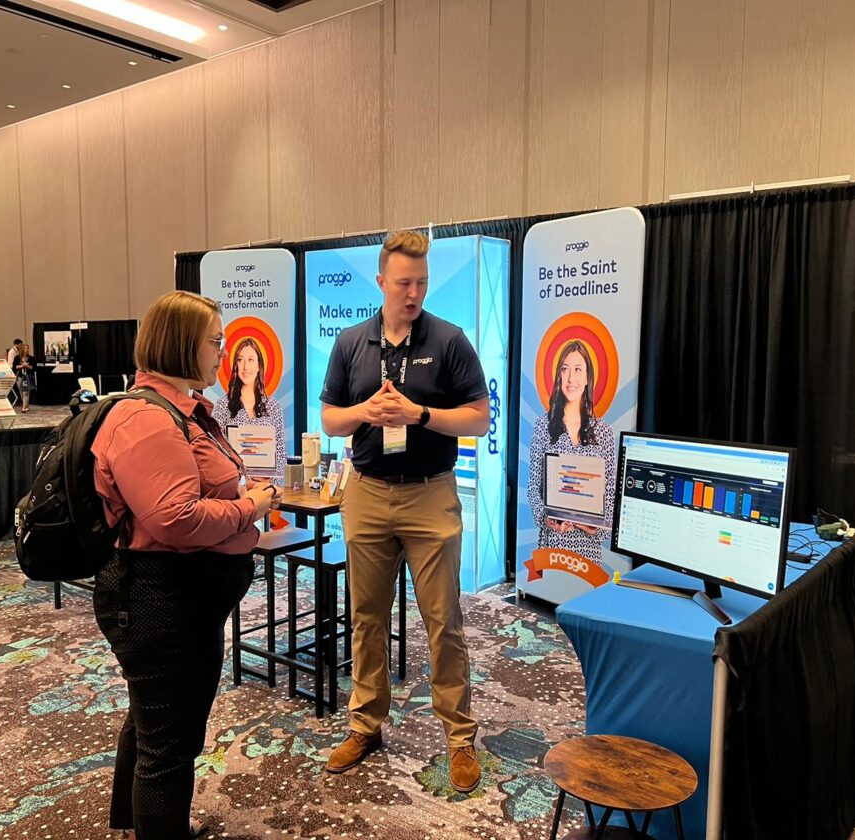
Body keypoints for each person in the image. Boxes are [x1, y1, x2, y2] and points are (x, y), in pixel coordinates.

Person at [91, 290, 282, 840]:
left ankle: (131, 822)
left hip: (183, 597)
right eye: (215, 342)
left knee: (155, 720)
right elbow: (176, 519)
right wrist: (252, 507)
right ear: (180, 346)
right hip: (160, 597)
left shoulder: (182, 408)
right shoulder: (147, 420)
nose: (223, 353)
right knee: (170, 744)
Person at [320, 230, 489, 793]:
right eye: (402, 283)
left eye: (421, 282)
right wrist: (364, 411)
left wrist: (419, 414)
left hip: (429, 494)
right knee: (365, 618)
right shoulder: (350, 343)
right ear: (381, 282)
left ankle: (459, 737)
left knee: (444, 621)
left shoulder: (450, 340)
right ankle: (365, 725)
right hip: (367, 494)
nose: (413, 293)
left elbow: (478, 420)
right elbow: (329, 420)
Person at [528, 341, 616, 563]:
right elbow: (533, 487)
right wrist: (546, 518)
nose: (570, 378)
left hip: (589, 553)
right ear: (558, 376)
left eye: (578, 369)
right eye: (564, 369)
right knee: (548, 597)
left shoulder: (604, 432)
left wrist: (595, 529)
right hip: (553, 546)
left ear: (587, 377)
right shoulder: (543, 426)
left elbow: (611, 495)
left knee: (586, 597)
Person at [211, 337, 285, 482]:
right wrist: (245, 483)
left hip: (268, 491)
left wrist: (269, 485)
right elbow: (216, 455)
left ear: (259, 366)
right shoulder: (222, 406)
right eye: (240, 360)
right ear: (235, 365)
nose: (245, 367)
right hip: (235, 492)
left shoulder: (274, 408)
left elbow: (281, 458)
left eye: (251, 360)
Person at [13, 342, 37, 413]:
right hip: (20, 376)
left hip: (28, 376)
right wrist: (22, 366)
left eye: (28, 348)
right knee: (21, 392)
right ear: (22, 349)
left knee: (26, 392)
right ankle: (26, 406)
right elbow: (15, 367)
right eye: (25, 348)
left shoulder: (31, 358)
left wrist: (27, 366)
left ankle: (23, 408)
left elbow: (34, 368)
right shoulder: (17, 358)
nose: (27, 350)